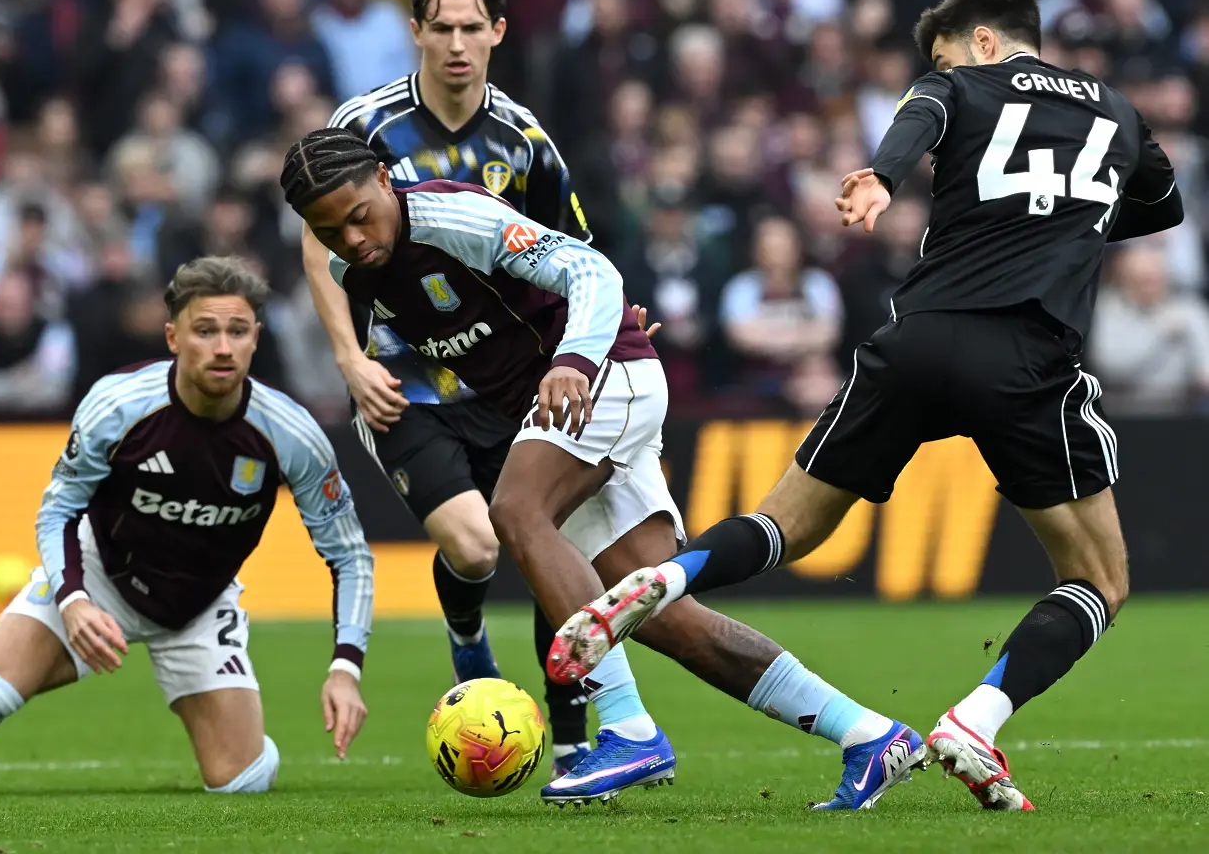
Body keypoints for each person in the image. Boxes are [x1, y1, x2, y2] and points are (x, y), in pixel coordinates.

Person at [553, 0, 1183, 813]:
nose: (942, 65)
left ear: (984, 42)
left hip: (917, 339)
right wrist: (1069, 215)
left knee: (787, 525)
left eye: (945, 51)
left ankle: (669, 579)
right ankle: (977, 719)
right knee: (1099, 579)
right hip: (1026, 359)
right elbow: (1162, 204)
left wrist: (881, 176)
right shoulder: (1115, 109)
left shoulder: (957, 84)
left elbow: (919, 117)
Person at [282, 130, 923, 809]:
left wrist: (575, 355)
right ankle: (868, 735)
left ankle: (627, 729)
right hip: (571, 400)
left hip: (602, 376)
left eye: (359, 215)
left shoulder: (451, 217)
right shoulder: (349, 266)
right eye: (330, 229)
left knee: (515, 511)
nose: (351, 238)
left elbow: (590, 273)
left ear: (385, 179)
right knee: (663, 616)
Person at [0, 256, 374, 796]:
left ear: (255, 338)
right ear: (173, 337)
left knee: (244, 782)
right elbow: (58, 511)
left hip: (199, 606)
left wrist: (346, 668)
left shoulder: (290, 433)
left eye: (237, 331)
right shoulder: (119, 404)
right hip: (100, 574)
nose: (222, 347)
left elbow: (349, 554)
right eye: (205, 330)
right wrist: (74, 601)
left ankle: (241, 733)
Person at [299, 0, 593, 775]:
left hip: (512, 380)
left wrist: (583, 346)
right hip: (406, 379)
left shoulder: (524, 141)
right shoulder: (366, 126)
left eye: (472, 28)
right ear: (415, 32)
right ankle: (465, 632)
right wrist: (348, 357)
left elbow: (571, 253)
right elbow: (311, 234)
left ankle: (571, 738)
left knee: (541, 548)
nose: (456, 43)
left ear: (497, 32)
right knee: (475, 548)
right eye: (441, 28)